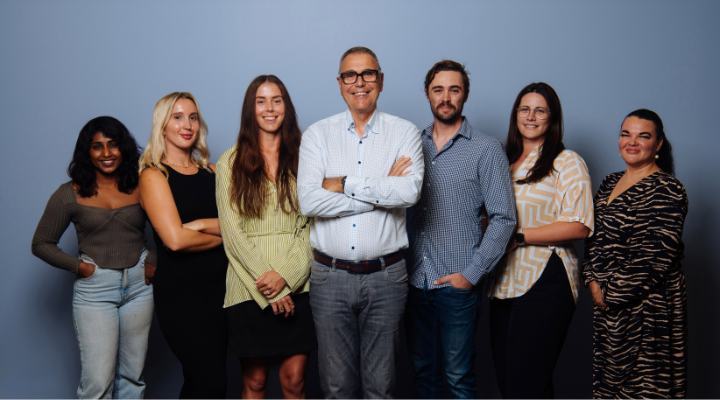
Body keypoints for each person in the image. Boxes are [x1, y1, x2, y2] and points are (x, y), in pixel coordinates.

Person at [297, 46, 424, 398]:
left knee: (381, 387)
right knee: (336, 387)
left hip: (387, 277)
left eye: (368, 74)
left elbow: (409, 192)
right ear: (340, 83)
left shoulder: (405, 133)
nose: (360, 82)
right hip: (329, 276)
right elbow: (309, 200)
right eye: (350, 75)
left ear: (380, 80)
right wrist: (381, 189)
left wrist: (345, 183)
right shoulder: (317, 135)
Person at [405, 60, 516, 399]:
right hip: (413, 282)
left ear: (465, 95)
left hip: (457, 285)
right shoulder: (411, 145)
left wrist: (471, 274)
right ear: (427, 94)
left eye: (454, 90)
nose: (446, 97)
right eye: (438, 90)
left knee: (458, 378)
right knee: (424, 376)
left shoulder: (486, 148)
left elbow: (504, 218)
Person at [31, 116, 155, 399]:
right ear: (86, 152)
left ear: (123, 147)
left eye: (113, 145)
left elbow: (166, 227)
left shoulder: (143, 184)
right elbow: (40, 243)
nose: (107, 153)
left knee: (133, 378)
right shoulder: (69, 193)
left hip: (139, 287)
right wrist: (80, 267)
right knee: (98, 383)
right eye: (97, 146)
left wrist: (154, 258)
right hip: (95, 290)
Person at [488, 82, 594, 398]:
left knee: (528, 384)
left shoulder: (567, 161)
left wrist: (519, 236)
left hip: (547, 277)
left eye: (540, 110)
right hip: (502, 282)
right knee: (509, 384)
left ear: (552, 117)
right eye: (524, 108)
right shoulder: (501, 162)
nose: (531, 116)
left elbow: (580, 225)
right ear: (515, 114)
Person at [216, 75, 316, 399]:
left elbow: (312, 227)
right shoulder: (229, 162)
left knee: (294, 382)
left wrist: (285, 277)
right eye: (261, 101)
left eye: (277, 100)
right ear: (251, 109)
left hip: (299, 285)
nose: (270, 108)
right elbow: (232, 234)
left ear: (286, 107)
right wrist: (269, 287)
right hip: (248, 288)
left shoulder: (307, 158)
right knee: (255, 383)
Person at [582, 109, 687, 398]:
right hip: (607, 311)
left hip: (647, 310)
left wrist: (609, 293)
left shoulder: (668, 189)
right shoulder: (608, 184)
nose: (632, 141)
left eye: (643, 136)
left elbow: (655, 258)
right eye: (625, 134)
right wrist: (592, 281)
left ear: (659, 143)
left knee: (644, 390)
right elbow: (593, 240)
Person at [138, 92, 228, 399]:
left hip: (223, 292)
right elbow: (175, 241)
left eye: (192, 117)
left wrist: (201, 226)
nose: (186, 124)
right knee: (210, 383)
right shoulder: (154, 175)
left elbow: (242, 228)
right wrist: (226, 239)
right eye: (176, 117)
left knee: (201, 383)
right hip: (183, 297)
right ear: (162, 127)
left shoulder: (214, 172)